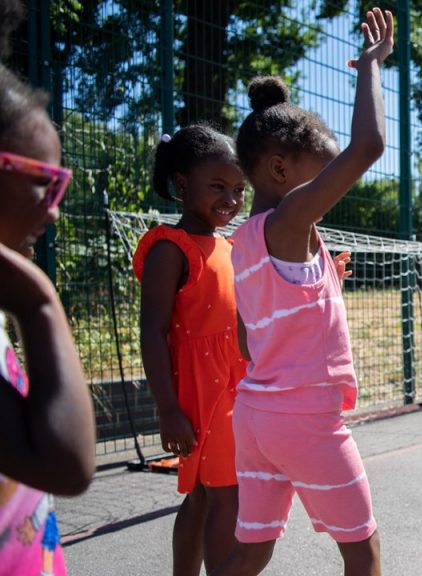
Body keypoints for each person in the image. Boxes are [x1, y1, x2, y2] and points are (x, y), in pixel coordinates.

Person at [211, 8, 392, 576]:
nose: (334, 178)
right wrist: (369, 65)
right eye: (324, 169)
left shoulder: (242, 241)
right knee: (362, 549)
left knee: (251, 551)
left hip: (256, 417)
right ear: (280, 170)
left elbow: (248, 338)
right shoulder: (286, 222)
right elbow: (370, 145)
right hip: (305, 420)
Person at [133, 125, 249, 574]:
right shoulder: (170, 247)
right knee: (226, 494)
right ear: (182, 185)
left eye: (239, 189)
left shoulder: (229, 244)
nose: (231, 198)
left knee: (203, 494)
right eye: (217, 186)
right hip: (203, 393)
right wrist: (167, 409)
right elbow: (152, 332)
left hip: (234, 385)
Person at [0, 63, 95, 574]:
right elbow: (67, 462)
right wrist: (39, 300)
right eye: (46, 182)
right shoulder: (24, 298)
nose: (55, 210)